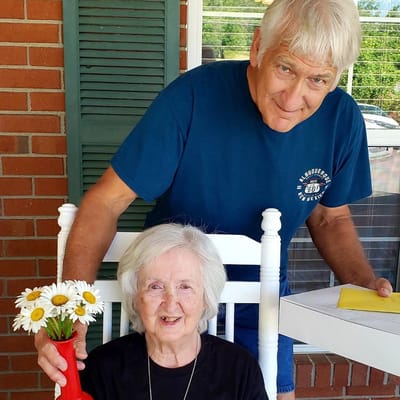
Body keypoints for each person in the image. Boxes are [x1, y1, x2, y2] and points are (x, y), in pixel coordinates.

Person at [35, 0, 393, 399]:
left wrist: (362, 284)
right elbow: (105, 202)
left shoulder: (341, 120)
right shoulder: (193, 97)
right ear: (258, 48)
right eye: (285, 68)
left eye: (319, 81)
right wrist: (65, 312)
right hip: (174, 293)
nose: (294, 98)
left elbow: (330, 218)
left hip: (263, 294)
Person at [79, 223, 268, 400]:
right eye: (155, 286)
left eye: (184, 287)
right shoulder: (102, 369)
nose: (170, 304)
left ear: (205, 297)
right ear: (136, 297)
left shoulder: (239, 370)